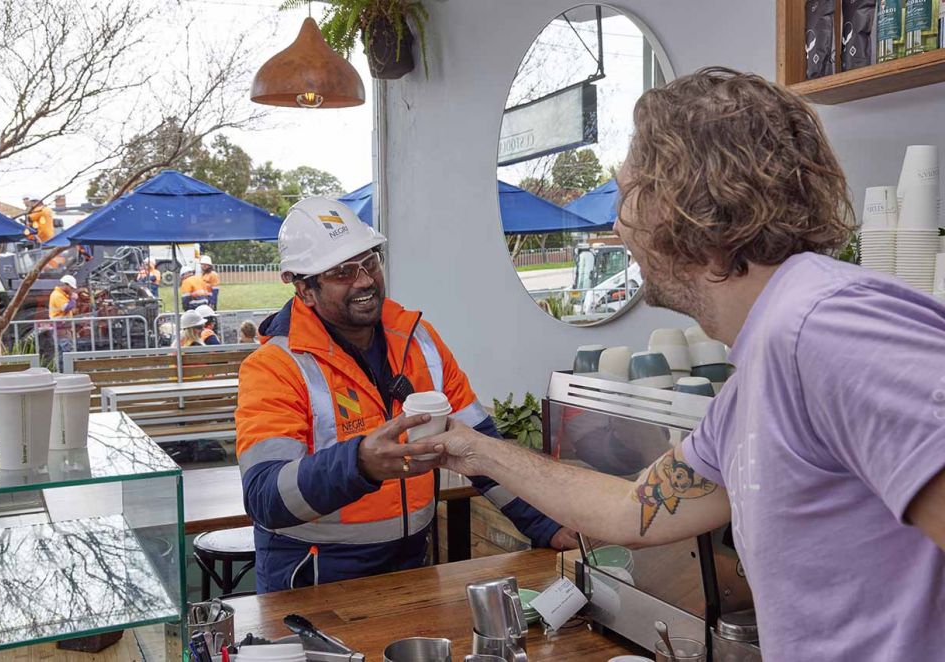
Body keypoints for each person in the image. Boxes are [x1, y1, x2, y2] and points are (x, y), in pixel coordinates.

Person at [424, 68, 945, 661]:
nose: (617, 226)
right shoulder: (764, 365)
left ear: (684, 202)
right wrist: (474, 450)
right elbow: (633, 509)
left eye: (626, 195)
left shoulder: (824, 327)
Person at [235, 197, 577, 593]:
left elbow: (482, 449)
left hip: (413, 569)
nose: (364, 280)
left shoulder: (421, 342)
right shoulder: (274, 366)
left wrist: (546, 526)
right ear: (304, 289)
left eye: (370, 262)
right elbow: (265, 496)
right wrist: (359, 464)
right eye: (343, 272)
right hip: (315, 580)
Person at [48, 275, 78, 367]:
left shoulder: (60, 294)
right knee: (67, 353)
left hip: (60, 328)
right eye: (71, 287)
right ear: (66, 285)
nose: (72, 290)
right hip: (62, 328)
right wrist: (73, 299)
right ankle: (68, 374)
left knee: (61, 354)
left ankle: (62, 373)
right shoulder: (57, 295)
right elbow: (66, 307)